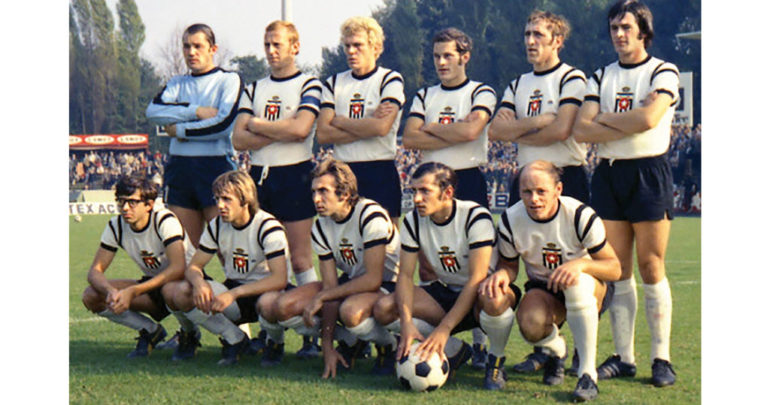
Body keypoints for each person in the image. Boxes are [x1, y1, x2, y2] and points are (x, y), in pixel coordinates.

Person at [573, 0, 679, 387]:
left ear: (643, 32)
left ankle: (661, 358)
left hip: (648, 171)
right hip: (609, 172)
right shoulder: (601, 75)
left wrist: (603, 119)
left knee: (651, 265)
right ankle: (624, 356)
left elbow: (650, 118)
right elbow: (581, 130)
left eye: (626, 27)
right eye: (614, 28)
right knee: (617, 269)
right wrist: (626, 121)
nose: (619, 34)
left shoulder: (662, 71)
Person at [488, 9, 589, 375]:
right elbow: (496, 131)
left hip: (567, 177)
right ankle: (548, 347)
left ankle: (580, 351)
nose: (530, 41)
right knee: (535, 263)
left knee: (574, 264)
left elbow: (562, 130)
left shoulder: (572, 78)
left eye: (538, 35)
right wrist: (541, 120)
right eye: (527, 34)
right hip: (527, 178)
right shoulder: (517, 84)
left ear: (557, 41)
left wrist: (522, 127)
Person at [479, 160, 620, 400]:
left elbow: (614, 268)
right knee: (529, 325)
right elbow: (509, 266)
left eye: (541, 191)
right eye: (527, 191)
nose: (534, 199)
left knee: (576, 284)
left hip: (589, 287)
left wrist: (581, 265)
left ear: (558, 189)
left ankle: (587, 375)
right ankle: (558, 349)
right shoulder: (511, 219)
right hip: (545, 288)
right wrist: (502, 273)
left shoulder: (579, 215)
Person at [401, 27, 496, 367]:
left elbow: (471, 131)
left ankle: (481, 344)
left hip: (467, 179)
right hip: (431, 180)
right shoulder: (424, 95)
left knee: (477, 265)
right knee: (430, 263)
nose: (441, 62)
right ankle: (445, 342)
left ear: (464, 57)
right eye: (436, 56)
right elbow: (410, 138)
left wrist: (430, 129)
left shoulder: (480, 91)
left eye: (448, 56)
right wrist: (452, 130)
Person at [232, 20, 323, 358]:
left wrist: (257, 124)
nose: (271, 51)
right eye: (267, 44)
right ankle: (271, 335)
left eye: (277, 44)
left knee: (299, 258)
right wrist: (279, 129)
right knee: (264, 260)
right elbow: (238, 138)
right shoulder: (254, 88)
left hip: (296, 174)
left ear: (295, 46)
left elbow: (301, 129)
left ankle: (311, 333)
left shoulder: (309, 84)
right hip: (258, 176)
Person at [268, 159, 400, 378]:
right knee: (284, 307)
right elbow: (330, 286)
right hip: (352, 283)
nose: (316, 199)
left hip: (388, 286)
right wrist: (327, 345)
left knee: (350, 311)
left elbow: (373, 279)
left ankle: (389, 344)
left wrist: (324, 296)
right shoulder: (321, 226)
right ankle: (349, 341)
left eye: (323, 191)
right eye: (313, 192)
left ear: (345, 194)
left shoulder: (370, 215)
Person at [372, 162, 497, 382]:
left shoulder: (475, 216)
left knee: (495, 299)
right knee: (384, 308)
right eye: (414, 191)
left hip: (480, 297)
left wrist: (444, 328)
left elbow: (477, 279)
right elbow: (405, 276)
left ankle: (497, 361)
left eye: (425, 191)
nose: (417, 199)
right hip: (446, 292)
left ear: (447, 192)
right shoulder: (413, 220)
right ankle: (455, 350)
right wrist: (407, 323)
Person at [162, 171, 290, 365]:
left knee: (268, 304)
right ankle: (235, 339)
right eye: (217, 199)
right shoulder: (217, 225)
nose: (220, 205)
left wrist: (233, 293)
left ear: (245, 199)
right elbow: (194, 266)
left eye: (227, 199)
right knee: (178, 291)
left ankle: (275, 343)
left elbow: (279, 279)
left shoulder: (268, 227)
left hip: (267, 292)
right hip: (235, 291)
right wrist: (199, 283)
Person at [146, 23, 242, 249]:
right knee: (185, 251)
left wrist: (180, 131)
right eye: (186, 46)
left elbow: (223, 124)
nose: (191, 52)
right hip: (180, 169)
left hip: (216, 167)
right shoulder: (176, 83)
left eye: (198, 46)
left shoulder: (228, 80)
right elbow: (153, 112)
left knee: (228, 249)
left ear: (213, 49)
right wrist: (196, 111)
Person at [81, 175, 195, 358]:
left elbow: (178, 268)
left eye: (132, 202)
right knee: (92, 295)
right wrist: (110, 291)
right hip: (153, 285)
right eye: (121, 201)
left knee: (172, 291)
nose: (125, 208)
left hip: (187, 285)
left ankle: (190, 333)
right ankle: (150, 330)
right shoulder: (116, 225)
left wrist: (133, 291)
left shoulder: (164, 220)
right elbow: (95, 271)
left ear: (149, 205)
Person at [316, 16, 405, 224]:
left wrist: (340, 121)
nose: (351, 51)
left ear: (375, 47)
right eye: (347, 46)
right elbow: (323, 134)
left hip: (380, 171)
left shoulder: (389, 79)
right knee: (343, 239)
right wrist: (368, 123)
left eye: (358, 45)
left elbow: (381, 127)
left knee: (385, 239)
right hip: (343, 173)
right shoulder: (333, 83)